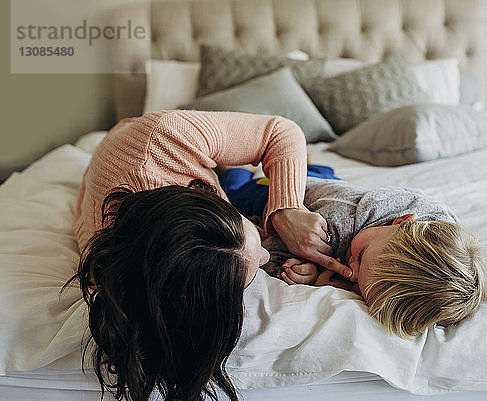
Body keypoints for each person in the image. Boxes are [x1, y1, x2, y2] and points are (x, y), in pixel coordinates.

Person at [66, 111, 352, 401]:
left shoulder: (168, 134)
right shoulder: (105, 265)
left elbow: (281, 130)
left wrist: (286, 209)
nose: (267, 255)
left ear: (207, 196)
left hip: (146, 134)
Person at [221, 168, 487, 339]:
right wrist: (307, 262)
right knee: (238, 190)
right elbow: (267, 253)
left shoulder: (439, 231)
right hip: (291, 191)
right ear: (399, 222)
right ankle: (235, 170)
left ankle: (317, 169)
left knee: (325, 174)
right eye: (360, 257)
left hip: (338, 188)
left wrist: (315, 278)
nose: (350, 271)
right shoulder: (335, 224)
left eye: (358, 285)